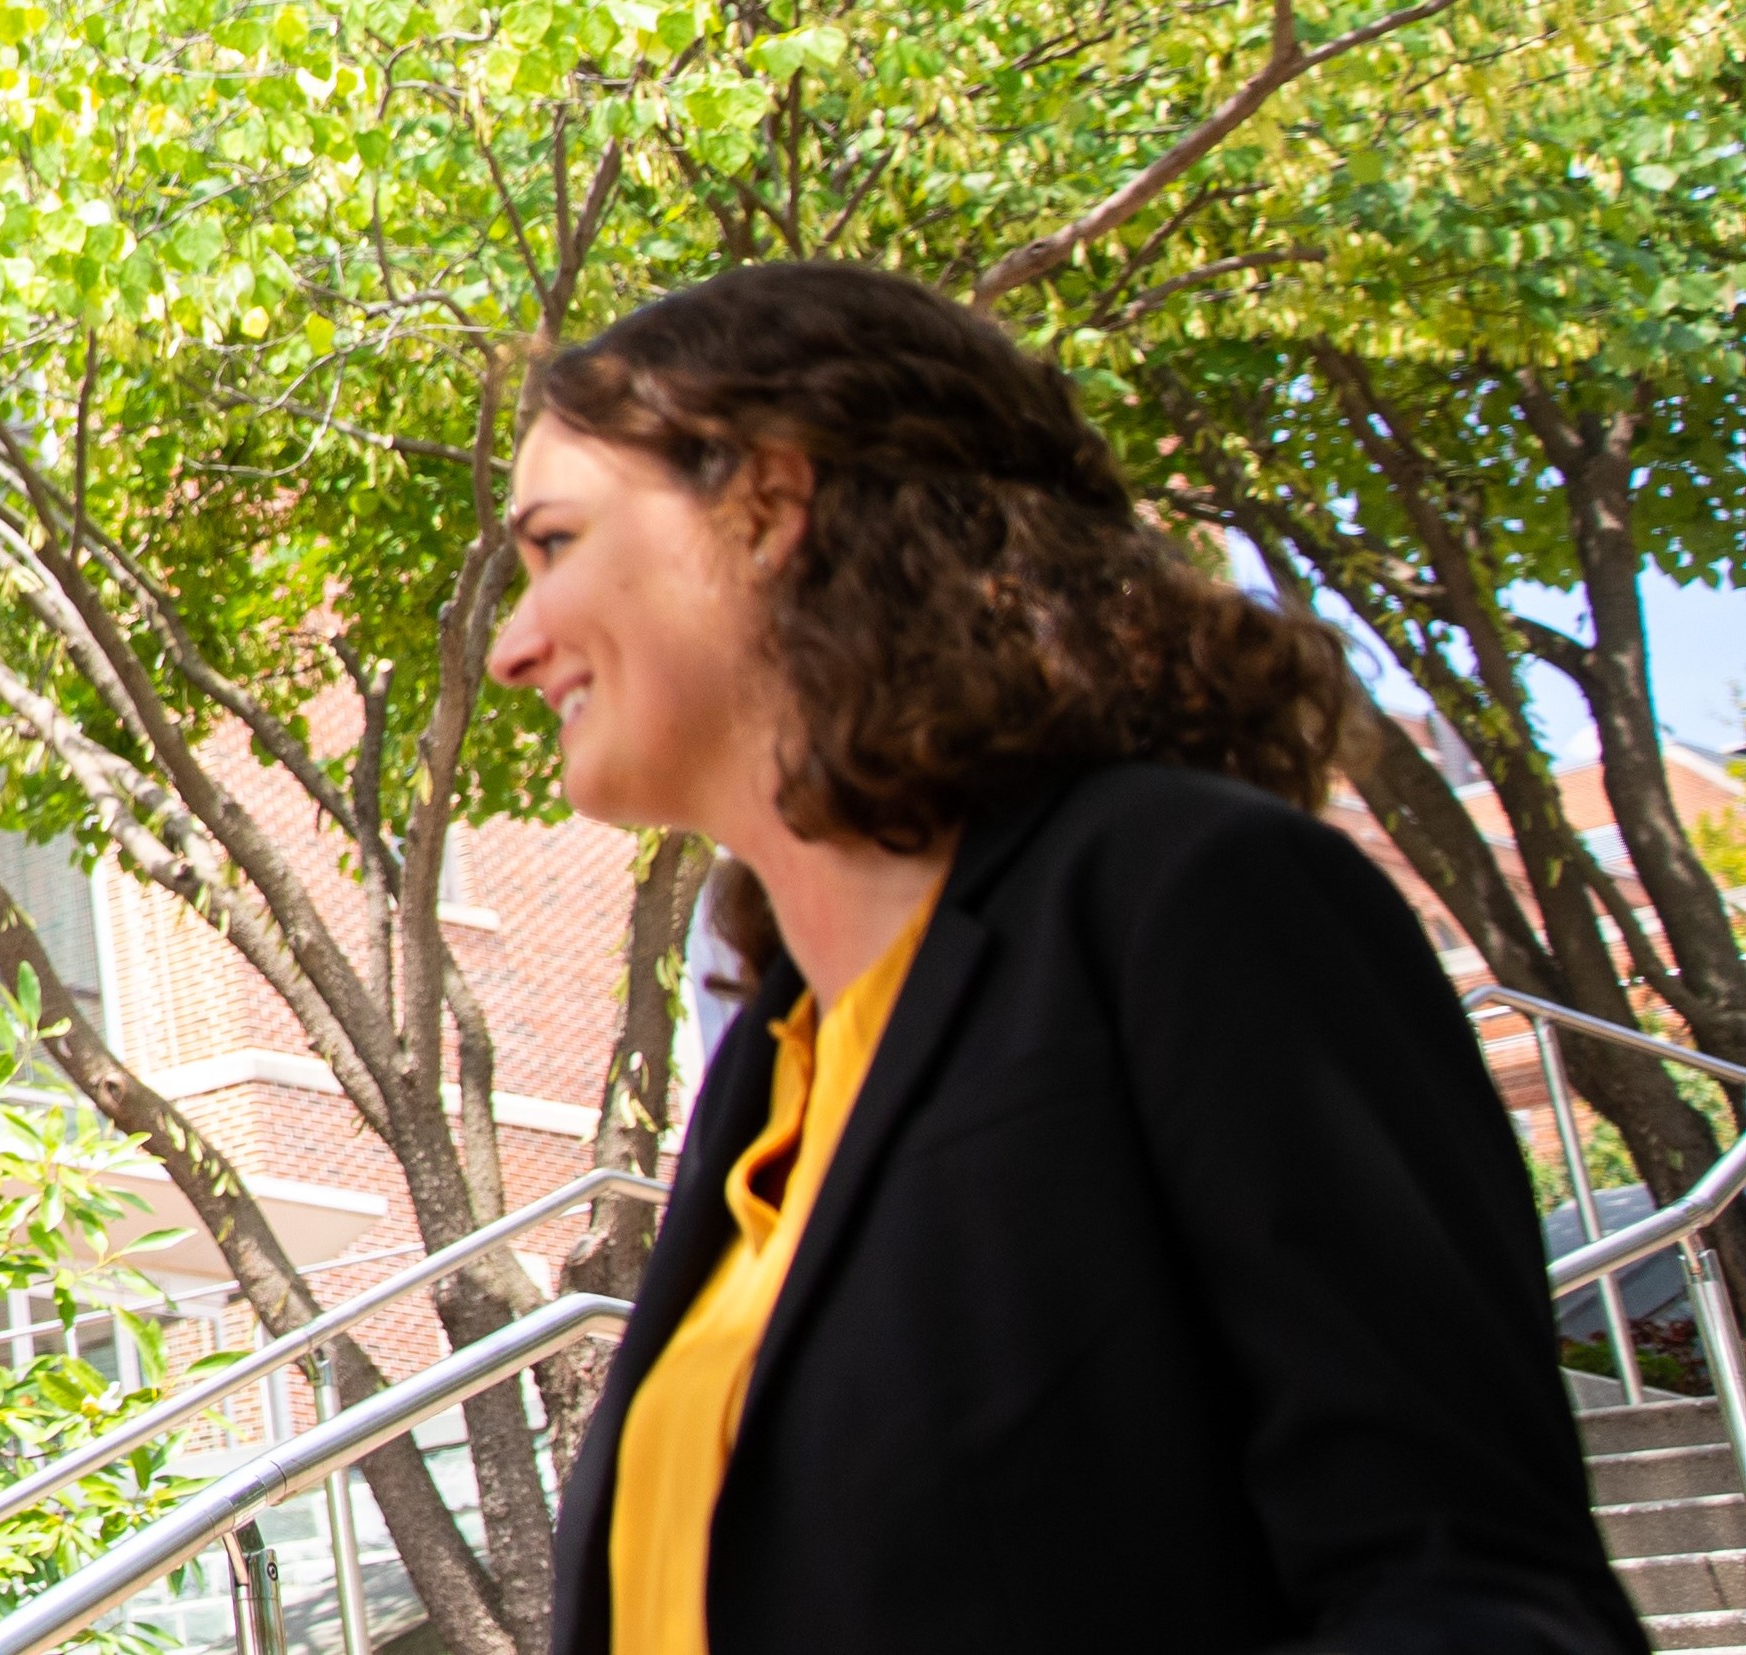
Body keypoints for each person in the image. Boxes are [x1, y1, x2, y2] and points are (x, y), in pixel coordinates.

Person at [490, 261, 1644, 1653]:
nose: (512, 643)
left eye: (552, 544)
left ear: (767, 505)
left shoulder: (1188, 901)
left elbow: (1467, 1593)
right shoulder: (767, 1073)